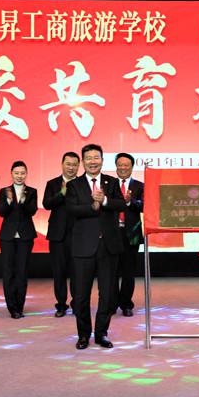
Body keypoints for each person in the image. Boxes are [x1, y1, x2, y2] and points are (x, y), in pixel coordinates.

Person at [66, 144, 126, 349]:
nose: (93, 161)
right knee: (81, 295)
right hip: (83, 246)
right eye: (89, 158)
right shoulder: (74, 185)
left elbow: (121, 204)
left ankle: (101, 334)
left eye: (96, 157)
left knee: (107, 294)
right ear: (83, 161)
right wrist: (92, 206)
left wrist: (105, 200)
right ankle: (83, 335)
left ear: (102, 160)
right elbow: (71, 209)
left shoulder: (112, 182)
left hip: (108, 246)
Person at [0, 161, 38, 319]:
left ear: (26, 174)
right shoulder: (4, 191)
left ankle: (19, 307)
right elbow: (1, 212)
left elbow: (32, 211)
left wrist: (22, 200)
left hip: (25, 236)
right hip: (7, 236)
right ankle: (11, 307)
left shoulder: (32, 191)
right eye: (16, 173)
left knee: (22, 271)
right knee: (8, 272)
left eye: (22, 173)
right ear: (11, 174)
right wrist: (9, 201)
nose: (19, 176)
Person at [43, 152, 80, 317]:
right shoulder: (52, 184)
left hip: (78, 234)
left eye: (74, 164)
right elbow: (46, 204)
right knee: (59, 273)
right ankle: (61, 305)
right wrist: (61, 193)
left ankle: (77, 304)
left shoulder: (82, 183)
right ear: (62, 164)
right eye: (68, 164)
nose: (71, 167)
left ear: (78, 166)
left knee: (77, 273)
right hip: (57, 235)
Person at [112, 152, 144, 318]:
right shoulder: (109, 184)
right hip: (112, 233)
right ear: (116, 166)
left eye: (126, 165)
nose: (123, 168)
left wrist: (131, 201)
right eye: (120, 165)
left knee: (128, 272)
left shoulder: (140, 186)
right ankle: (111, 304)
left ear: (132, 167)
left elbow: (144, 206)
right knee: (111, 271)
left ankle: (126, 304)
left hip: (131, 234)